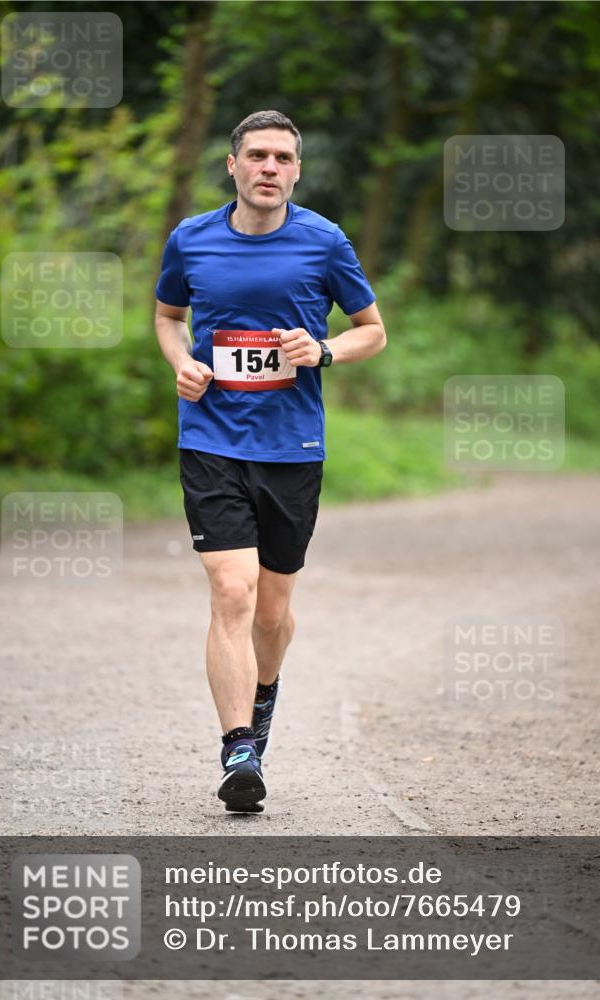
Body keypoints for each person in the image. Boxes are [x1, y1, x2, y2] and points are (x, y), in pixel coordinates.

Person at [154, 109, 386, 812]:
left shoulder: (323, 242)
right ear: (232, 165)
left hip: (291, 447)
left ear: (295, 170)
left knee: (273, 612)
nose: (269, 168)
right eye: (256, 155)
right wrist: (180, 364)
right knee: (232, 591)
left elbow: (370, 332)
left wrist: (320, 351)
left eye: (282, 158)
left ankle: (261, 705)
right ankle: (238, 749)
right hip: (210, 439)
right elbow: (169, 318)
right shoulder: (190, 240)